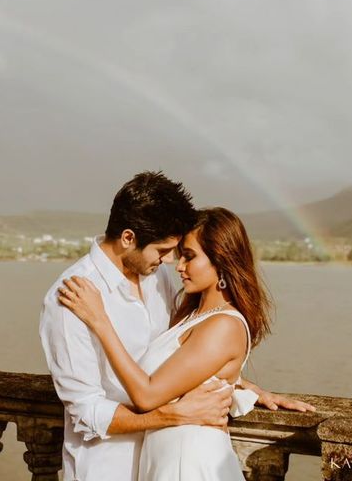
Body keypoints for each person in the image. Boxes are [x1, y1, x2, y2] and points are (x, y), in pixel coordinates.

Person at [40, 171, 315, 481]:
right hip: (107, 467)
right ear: (128, 238)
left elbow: (184, 358)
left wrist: (238, 384)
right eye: (163, 250)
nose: (172, 262)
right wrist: (171, 415)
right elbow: (85, 411)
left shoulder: (157, 277)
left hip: (169, 463)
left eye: (181, 253)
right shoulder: (73, 297)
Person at [59, 207, 272, 479]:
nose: (179, 265)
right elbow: (192, 372)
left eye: (190, 256)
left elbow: (147, 395)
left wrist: (100, 321)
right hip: (167, 458)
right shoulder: (193, 316)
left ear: (221, 261)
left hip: (189, 461)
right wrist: (244, 385)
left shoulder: (224, 325)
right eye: (180, 254)